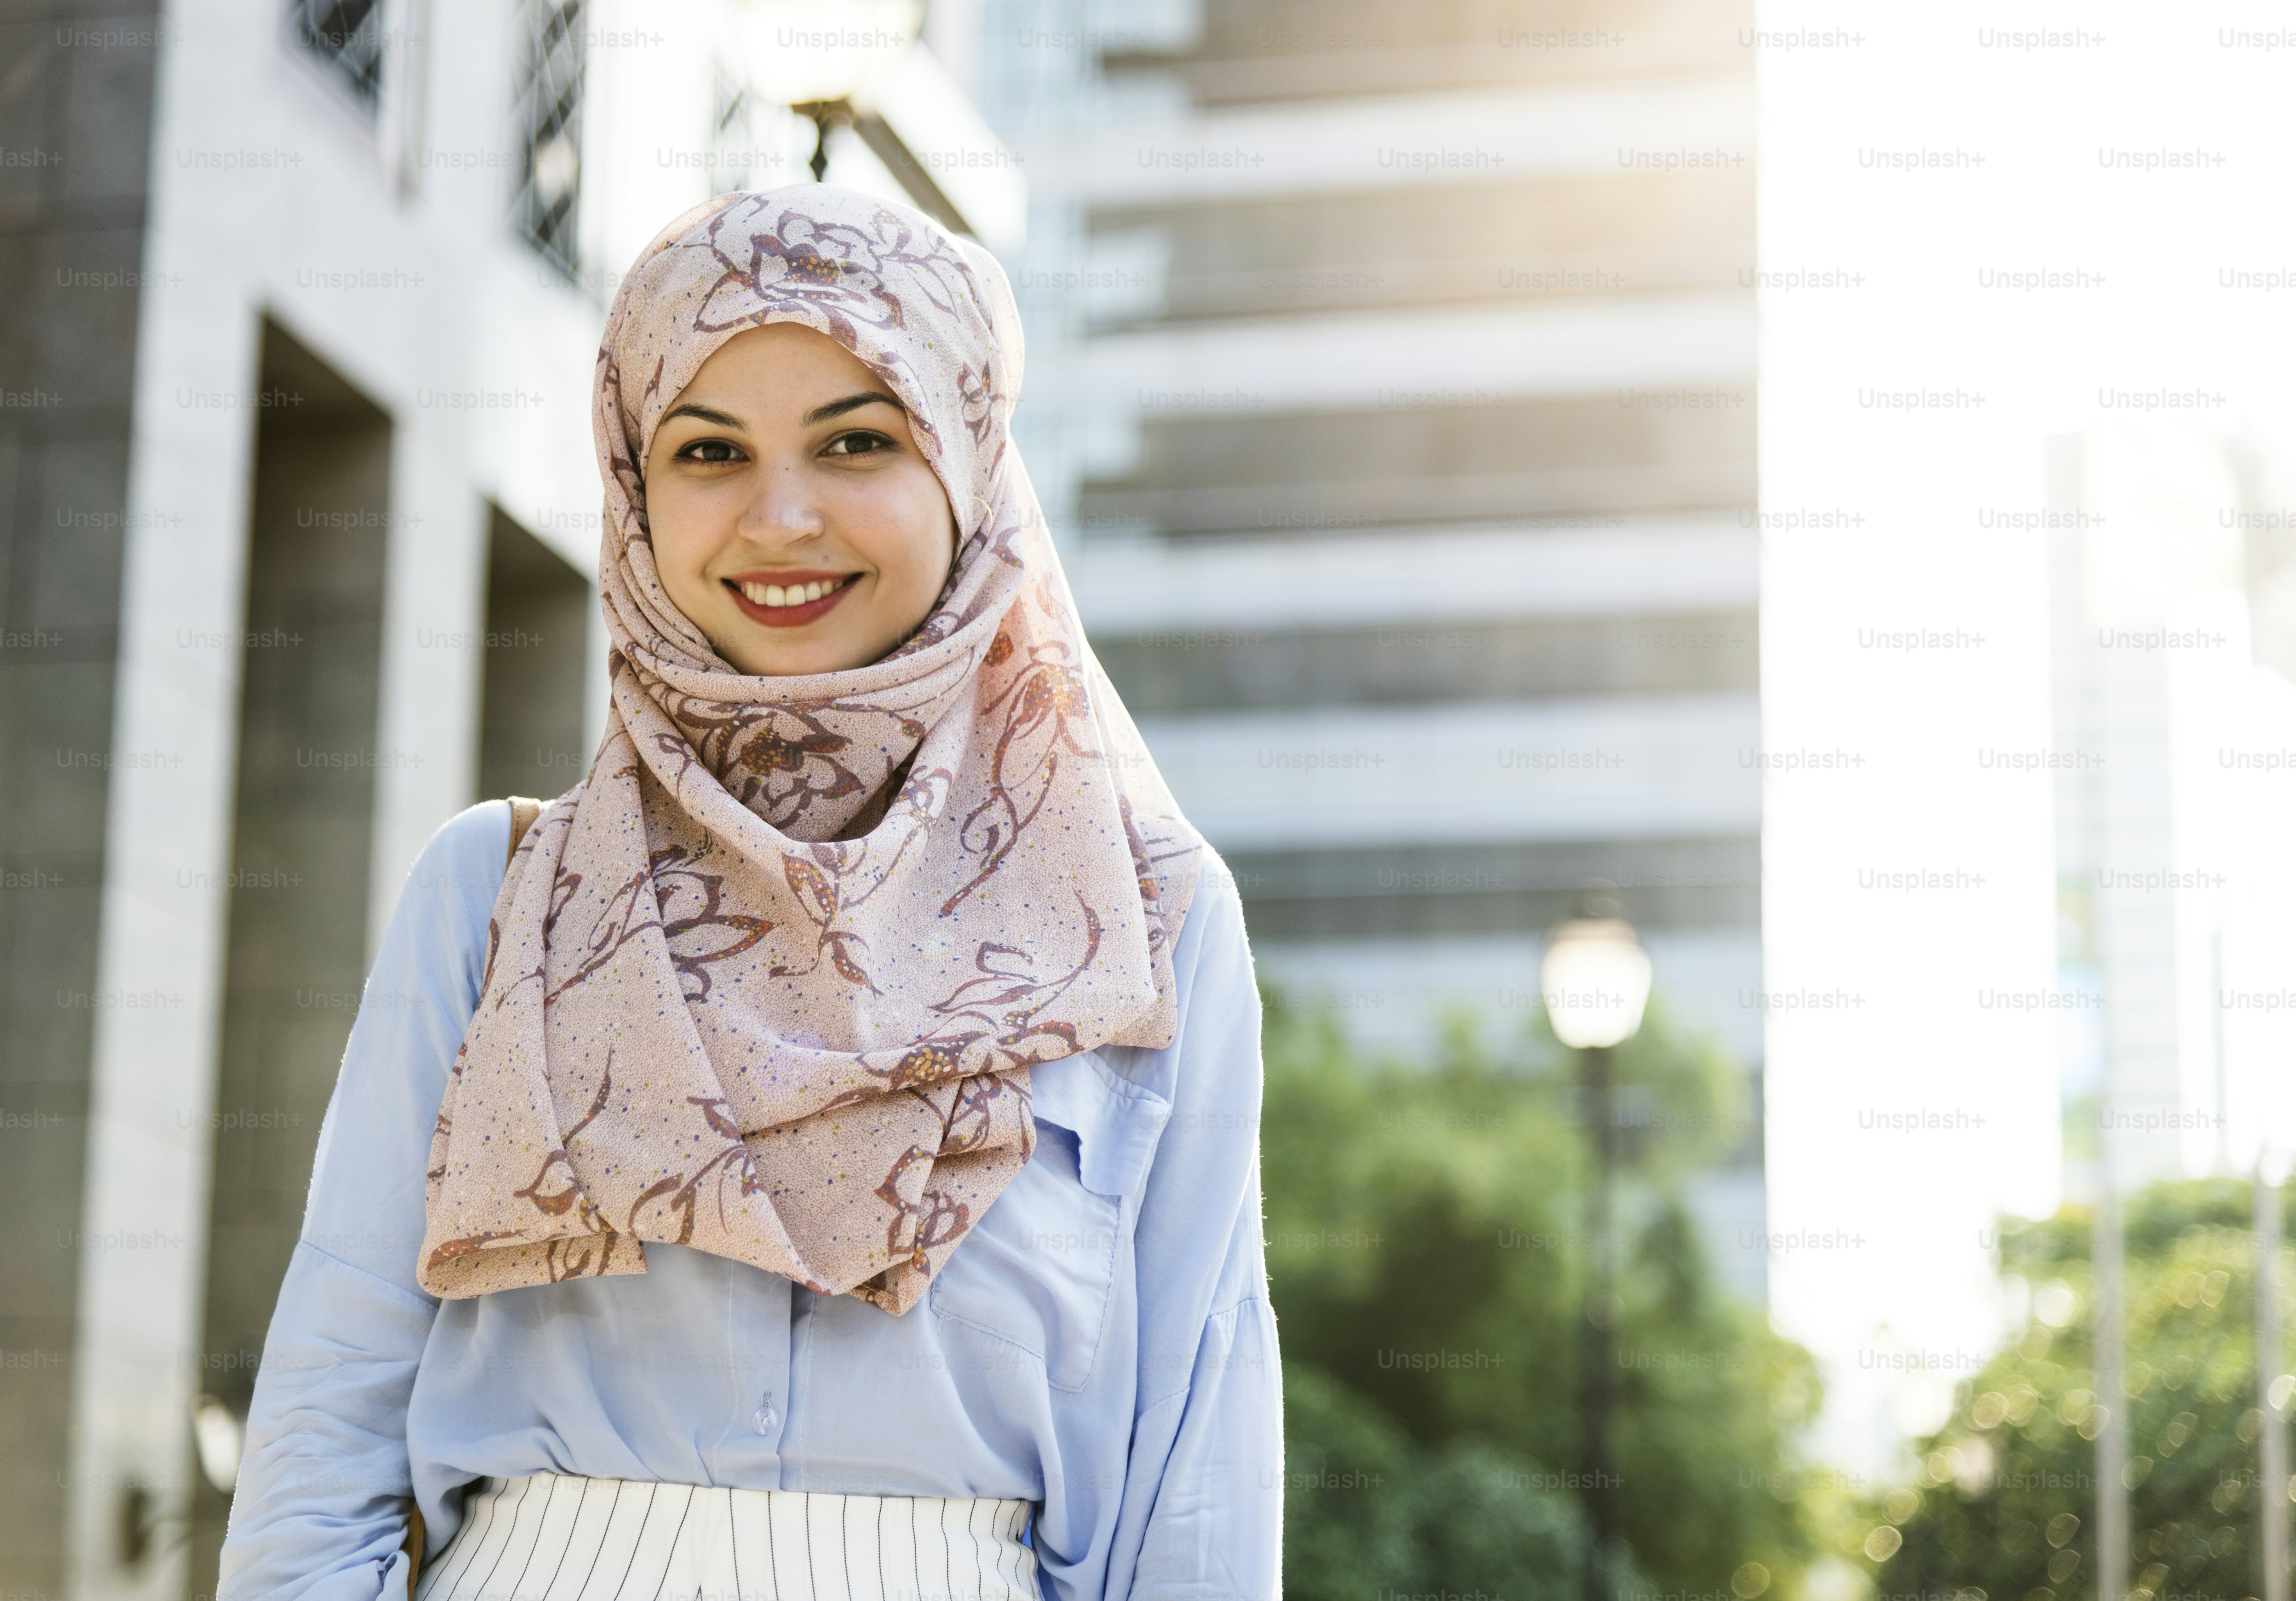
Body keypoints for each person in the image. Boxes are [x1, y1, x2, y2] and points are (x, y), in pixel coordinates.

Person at [215, 186, 1281, 1601]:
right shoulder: (496, 890)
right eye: (709, 451)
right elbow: (329, 1408)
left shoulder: (1146, 927)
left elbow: (1196, 1476)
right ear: (636, 494)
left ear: (969, 473)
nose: (782, 519)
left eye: (857, 441)